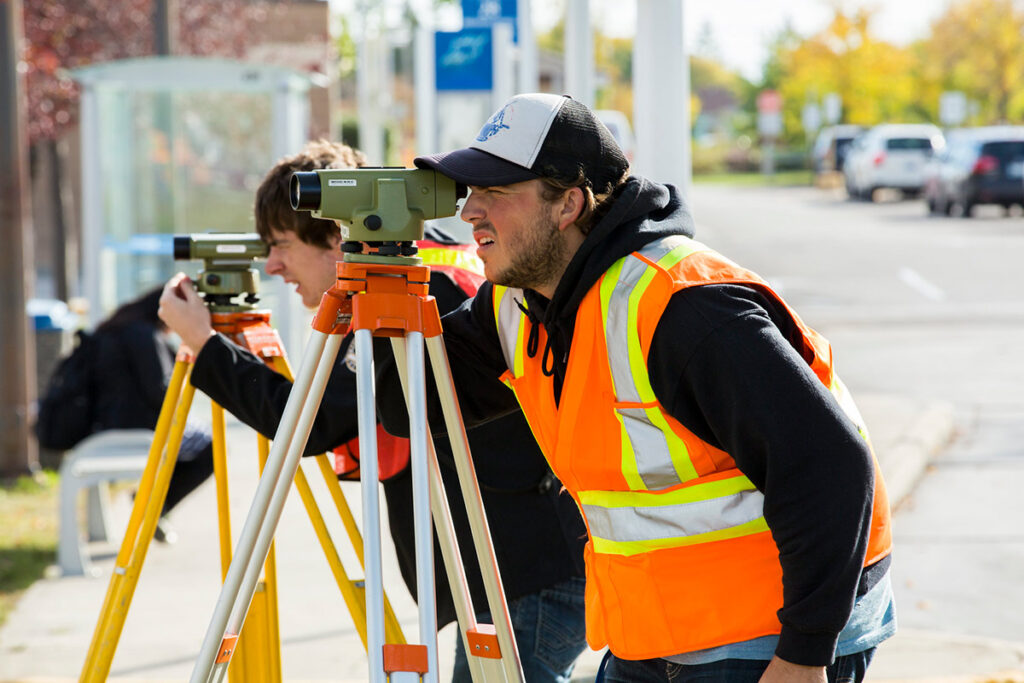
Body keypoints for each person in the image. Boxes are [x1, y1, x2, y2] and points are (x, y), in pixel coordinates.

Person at [375, 93, 896, 683]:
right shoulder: (519, 302)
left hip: (768, 636)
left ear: (567, 204)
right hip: (651, 632)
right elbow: (406, 406)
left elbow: (832, 468)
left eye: (494, 193)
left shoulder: (685, 308)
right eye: (470, 193)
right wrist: (381, 283)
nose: (470, 212)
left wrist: (803, 655)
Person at [157, 139, 589, 682]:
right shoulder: (436, 270)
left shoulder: (415, 291)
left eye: (283, 245)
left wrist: (205, 344)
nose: (271, 266)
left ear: (337, 232)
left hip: (530, 573)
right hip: (517, 566)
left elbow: (308, 423)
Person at [64, 288, 214, 543]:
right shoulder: (144, 335)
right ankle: (155, 505)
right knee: (212, 446)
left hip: (101, 427)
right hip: (135, 428)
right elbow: (161, 391)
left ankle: (153, 503)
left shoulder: (113, 328)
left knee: (195, 438)